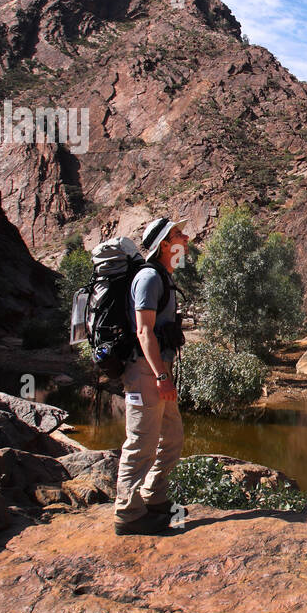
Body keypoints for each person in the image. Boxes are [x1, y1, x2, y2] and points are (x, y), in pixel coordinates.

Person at [113, 217, 189, 536]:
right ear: (163, 245)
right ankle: (127, 514)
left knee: (171, 437)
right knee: (141, 440)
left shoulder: (163, 277)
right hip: (147, 371)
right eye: (178, 235)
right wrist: (161, 376)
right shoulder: (148, 278)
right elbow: (144, 332)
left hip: (158, 369)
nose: (185, 239)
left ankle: (153, 497)